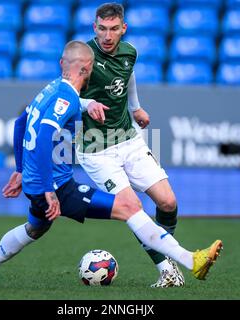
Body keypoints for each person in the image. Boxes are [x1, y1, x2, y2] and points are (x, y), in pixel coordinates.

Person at [0, 41, 223, 288]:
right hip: (56, 187)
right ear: (86, 69)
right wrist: (48, 189)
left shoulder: (50, 89)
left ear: (62, 63)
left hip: (38, 182)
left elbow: (21, 123)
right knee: (129, 207)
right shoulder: (66, 98)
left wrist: (21, 169)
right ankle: (191, 260)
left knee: (36, 227)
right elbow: (44, 136)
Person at [76, 3, 184, 287]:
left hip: (128, 139)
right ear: (94, 28)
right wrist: (87, 104)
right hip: (96, 149)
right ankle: (166, 269)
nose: (108, 36)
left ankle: (166, 254)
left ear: (124, 29)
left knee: (168, 202)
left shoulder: (129, 52)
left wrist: (136, 108)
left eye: (113, 29)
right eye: (102, 29)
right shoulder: (82, 58)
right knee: (132, 206)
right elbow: (64, 95)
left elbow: (128, 77)